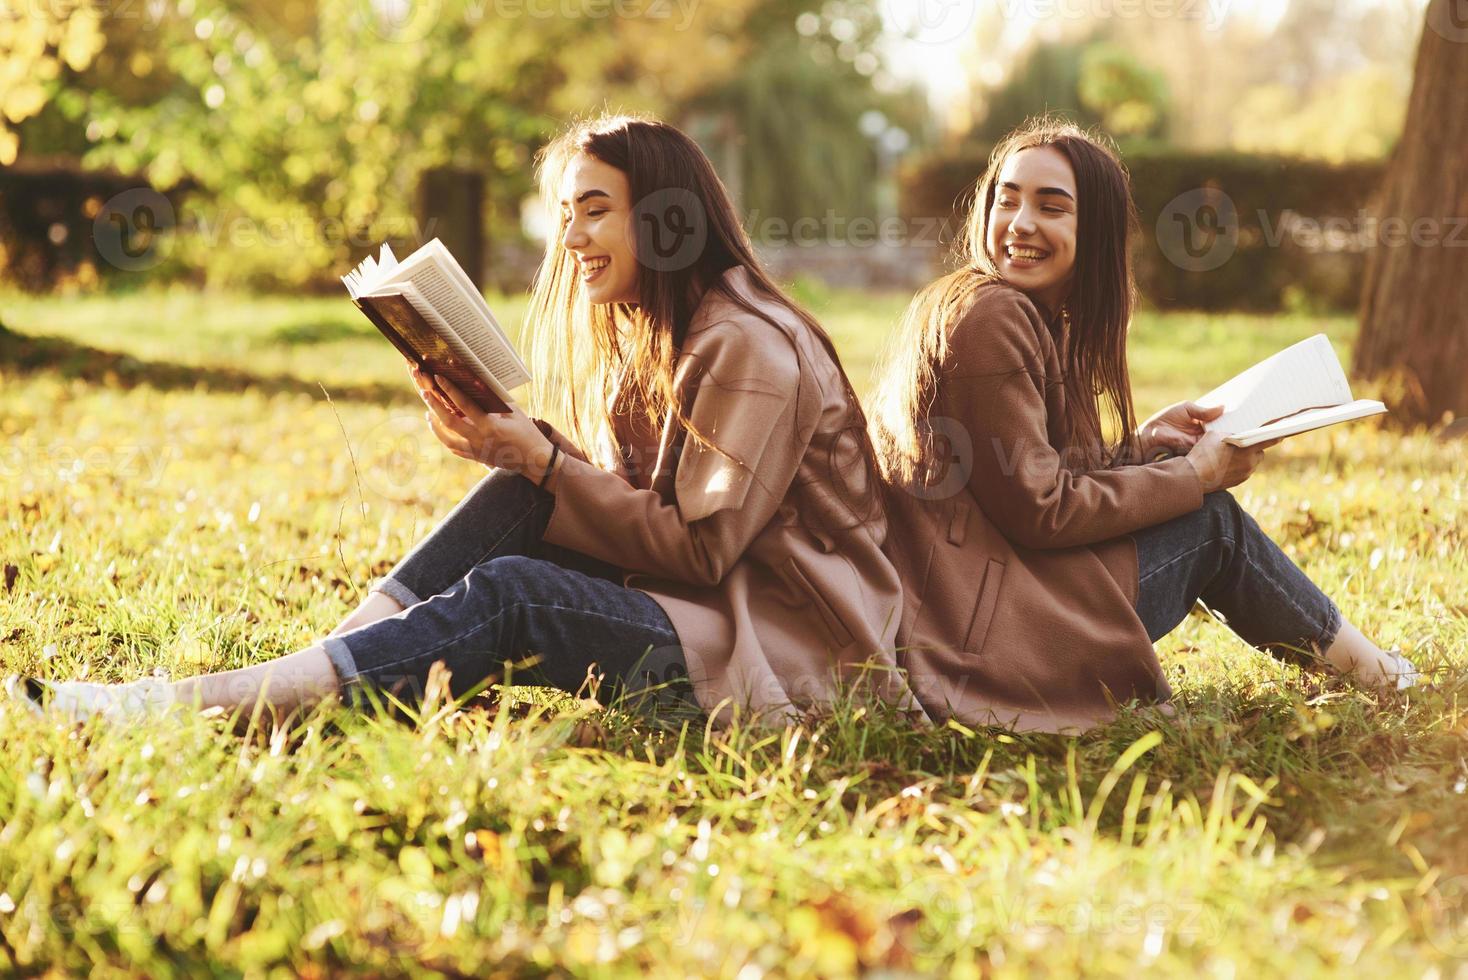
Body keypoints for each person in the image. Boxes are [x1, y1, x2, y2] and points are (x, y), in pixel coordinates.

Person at [19, 115, 922, 728]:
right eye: (564, 215)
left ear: (668, 218)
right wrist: (518, 450)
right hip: (701, 609)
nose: (572, 240)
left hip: (786, 651)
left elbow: (696, 550)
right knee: (515, 495)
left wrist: (545, 462)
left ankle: (219, 701)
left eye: (595, 211)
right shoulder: (666, 329)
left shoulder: (750, 349)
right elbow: (632, 509)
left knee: (516, 593)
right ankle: (314, 673)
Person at [866, 118, 1416, 733]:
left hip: (984, 607)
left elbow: (1022, 475)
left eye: (1051, 207)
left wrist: (1140, 446)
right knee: (1213, 525)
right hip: (989, 636)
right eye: (1008, 198)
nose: (1020, 223)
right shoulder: (991, 315)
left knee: (1202, 509)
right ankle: (1379, 675)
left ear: (1094, 232)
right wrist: (1193, 474)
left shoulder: (1008, 312)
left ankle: (1370, 667)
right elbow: (1041, 508)